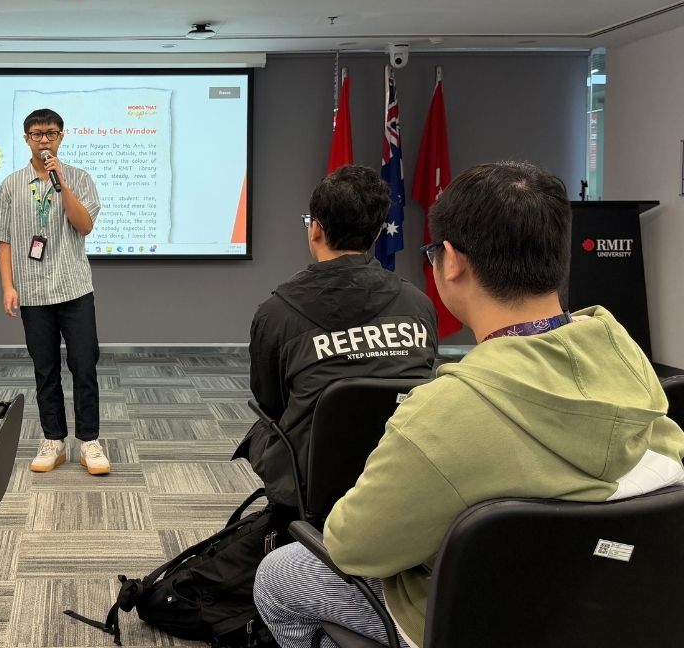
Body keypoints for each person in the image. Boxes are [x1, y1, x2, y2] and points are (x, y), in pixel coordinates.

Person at [254, 161, 684, 648]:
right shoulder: (627, 356)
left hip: (479, 617)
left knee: (281, 573)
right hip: (609, 608)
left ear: (452, 261)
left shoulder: (444, 412)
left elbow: (353, 546)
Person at [235, 164, 437, 512]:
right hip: (402, 471)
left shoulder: (277, 314)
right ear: (376, 235)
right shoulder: (418, 305)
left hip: (312, 485)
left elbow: (272, 403)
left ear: (315, 229)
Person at [0, 109, 108, 475]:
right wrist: (8, 287)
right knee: (45, 369)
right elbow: (4, 241)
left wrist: (63, 184)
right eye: (38, 134)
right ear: (26, 138)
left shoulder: (79, 178)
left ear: (62, 137)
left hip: (74, 288)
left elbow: (84, 225)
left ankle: (89, 440)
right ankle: (53, 440)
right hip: (33, 293)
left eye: (52, 133)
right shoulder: (10, 185)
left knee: (84, 366)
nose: (45, 140)